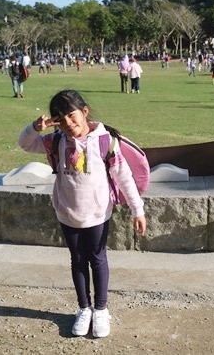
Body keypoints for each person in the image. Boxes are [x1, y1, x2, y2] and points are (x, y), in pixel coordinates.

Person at [17, 89, 146, 338]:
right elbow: (24, 144)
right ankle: (84, 308)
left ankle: (100, 309)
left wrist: (137, 210)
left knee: (97, 259)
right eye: (60, 119)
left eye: (71, 115)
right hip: (67, 212)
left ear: (84, 111)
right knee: (77, 260)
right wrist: (34, 128)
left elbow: (124, 177)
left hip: (97, 213)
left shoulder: (104, 141)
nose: (67, 123)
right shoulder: (55, 140)